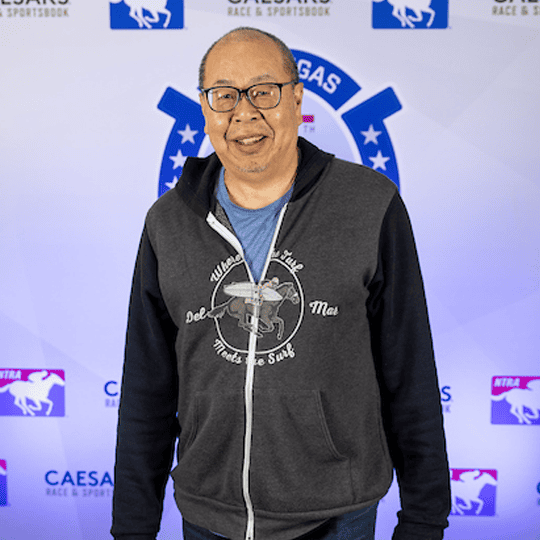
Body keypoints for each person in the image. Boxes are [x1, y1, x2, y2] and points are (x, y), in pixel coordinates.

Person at [111, 27, 451, 540]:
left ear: (296, 100)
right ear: (205, 110)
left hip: (338, 518)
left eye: (263, 92)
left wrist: (424, 520)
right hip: (207, 516)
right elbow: (146, 390)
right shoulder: (167, 222)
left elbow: (410, 373)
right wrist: (132, 530)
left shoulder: (369, 205)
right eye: (224, 95)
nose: (244, 113)